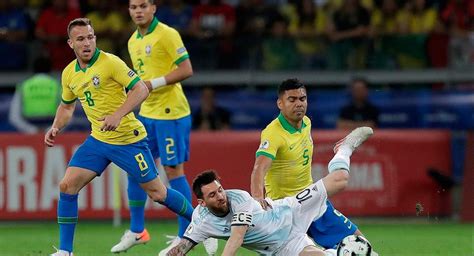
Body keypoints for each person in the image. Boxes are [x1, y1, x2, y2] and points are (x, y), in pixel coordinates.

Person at [46, 18, 194, 256]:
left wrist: (118, 115)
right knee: (67, 185)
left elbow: (141, 88)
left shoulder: (110, 63)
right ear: (70, 43)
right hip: (99, 140)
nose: (87, 43)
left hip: (128, 139)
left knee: (158, 194)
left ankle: (204, 221)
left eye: (90, 37)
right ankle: (65, 252)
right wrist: (55, 127)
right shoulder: (69, 74)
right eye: (81, 39)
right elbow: (66, 106)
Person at [111, 1, 217, 255]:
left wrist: (152, 83)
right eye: (133, 6)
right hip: (147, 114)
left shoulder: (168, 34)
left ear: (153, 8)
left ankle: (187, 234)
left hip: (171, 113)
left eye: (143, 5)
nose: (138, 11)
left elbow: (186, 69)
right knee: (137, 168)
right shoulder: (132, 41)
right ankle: (138, 230)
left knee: (172, 170)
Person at [167, 126, 375, 256]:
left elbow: (236, 238)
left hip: (291, 210)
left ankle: (344, 149)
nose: (221, 196)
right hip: (281, 246)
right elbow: (182, 248)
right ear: (201, 202)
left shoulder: (239, 198)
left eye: (220, 190)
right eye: (212, 195)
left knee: (340, 180)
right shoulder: (200, 220)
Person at [250, 78, 368, 250]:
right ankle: (343, 151)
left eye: (302, 99)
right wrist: (257, 199)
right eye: (292, 100)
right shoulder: (273, 133)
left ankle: (342, 150)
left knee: (361, 245)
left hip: (311, 199)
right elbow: (259, 169)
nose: (299, 104)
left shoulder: (306, 122)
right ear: (280, 103)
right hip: (286, 209)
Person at [9, 56, 60, 133]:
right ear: (50, 70)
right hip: (53, 130)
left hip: (28, 130)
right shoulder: (58, 86)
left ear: (33, 69)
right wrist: (50, 130)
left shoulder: (24, 85)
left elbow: (14, 116)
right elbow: (67, 115)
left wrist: (32, 130)